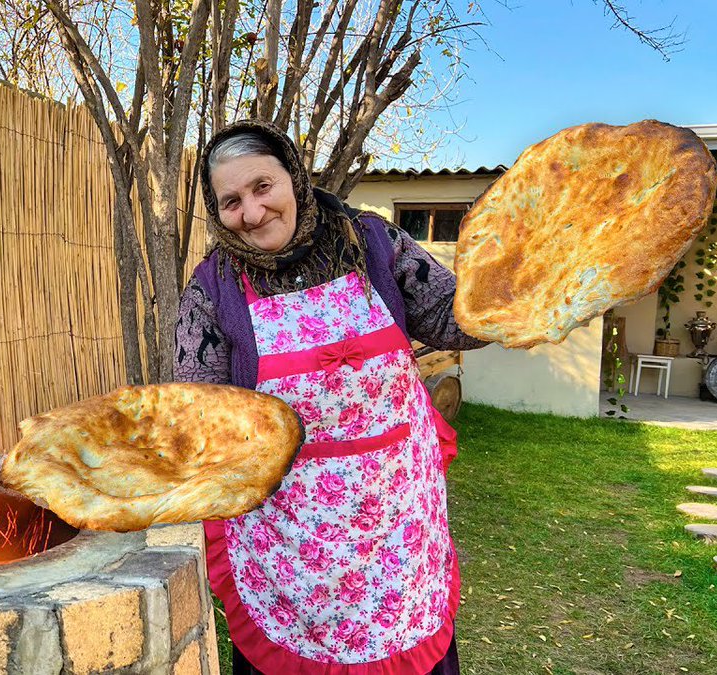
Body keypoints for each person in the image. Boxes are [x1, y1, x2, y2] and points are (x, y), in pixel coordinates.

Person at [174, 119, 488, 674]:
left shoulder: (371, 242)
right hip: (287, 544)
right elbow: (200, 414)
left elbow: (452, 317)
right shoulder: (212, 288)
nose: (251, 213)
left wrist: (520, 296)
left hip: (396, 522)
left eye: (262, 187)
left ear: (293, 177)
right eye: (230, 201)